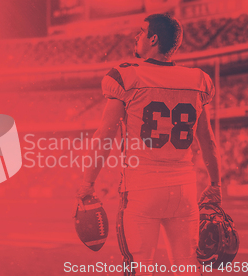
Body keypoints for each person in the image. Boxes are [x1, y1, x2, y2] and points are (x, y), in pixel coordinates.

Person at [76, 14, 222, 275]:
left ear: (153, 39)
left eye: (141, 32)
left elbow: (105, 136)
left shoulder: (127, 76)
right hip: (185, 190)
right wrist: (216, 184)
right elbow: (208, 141)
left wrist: (87, 183)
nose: (137, 37)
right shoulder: (197, 80)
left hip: (142, 189)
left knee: (140, 268)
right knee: (187, 268)